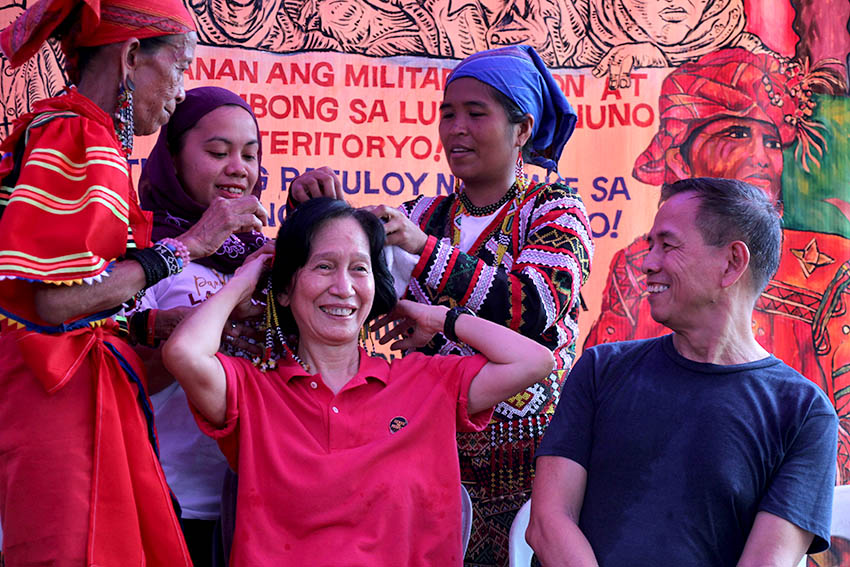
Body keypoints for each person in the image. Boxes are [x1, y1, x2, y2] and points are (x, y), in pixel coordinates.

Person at [0, 1, 267, 564]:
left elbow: (73, 301)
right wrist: (187, 248)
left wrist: (152, 324)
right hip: (59, 403)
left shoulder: (79, 132)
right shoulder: (80, 134)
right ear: (130, 58)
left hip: (71, 392)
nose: (179, 91)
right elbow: (52, 302)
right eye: (180, 66)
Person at [161, 197, 556, 565]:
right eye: (324, 266)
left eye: (359, 268)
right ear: (285, 289)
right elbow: (184, 352)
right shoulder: (252, 391)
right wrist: (246, 281)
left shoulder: (425, 382)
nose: (344, 288)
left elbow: (534, 361)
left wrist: (443, 319)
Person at [356, 44, 592, 565]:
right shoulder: (423, 212)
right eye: (447, 113)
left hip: (535, 470)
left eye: (475, 113)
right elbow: (355, 299)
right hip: (432, 452)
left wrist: (423, 252)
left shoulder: (555, 210)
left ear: (523, 130)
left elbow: (532, 310)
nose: (456, 128)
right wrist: (320, 212)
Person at [528, 177, 838, 566]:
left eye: (668, 245)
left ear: (731, 263)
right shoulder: (600, 370)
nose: (648, 263)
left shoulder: (803, 412)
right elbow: (547, 523)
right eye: (649, 245)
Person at [583, 48, 850, 481]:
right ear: (680, 156)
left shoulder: (829, 266)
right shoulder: (634, 266)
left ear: (736, 264)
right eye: (737, 133)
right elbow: (594, 429)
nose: (762, 156)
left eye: (772, 141)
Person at [134, 85, 271, 565]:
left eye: (250, 154)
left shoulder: (259, 258)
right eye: (218, 151)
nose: (238, 167)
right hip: (164, 501)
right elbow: (130, 380)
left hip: (258, 507)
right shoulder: (141, 254)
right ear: (171, 157)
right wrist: (217, 317)